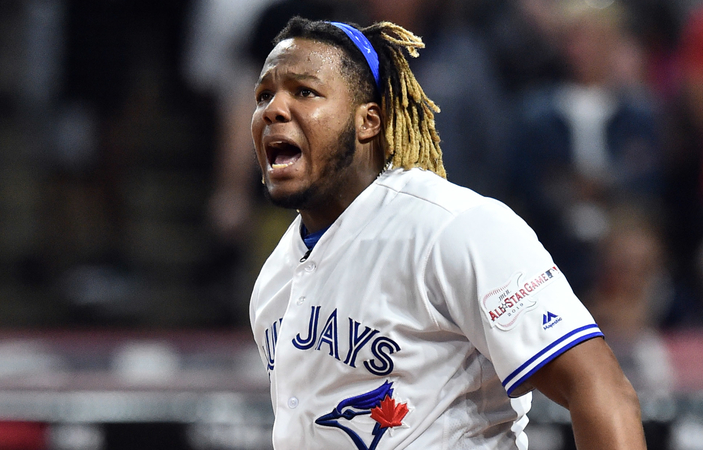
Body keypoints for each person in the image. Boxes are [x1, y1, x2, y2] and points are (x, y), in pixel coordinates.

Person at [248, 16, 646, 449]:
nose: (273, 109)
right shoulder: (274, 280)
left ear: (369, 121)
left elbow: (600, 390)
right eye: (264, 95)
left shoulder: (452, 227)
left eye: (304, 92)